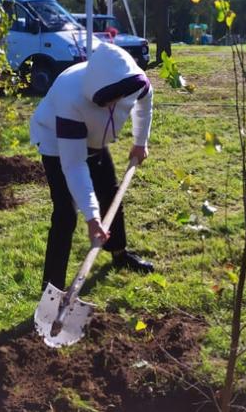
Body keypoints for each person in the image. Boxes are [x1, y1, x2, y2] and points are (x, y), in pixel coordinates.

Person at [30, 41, 155, 292]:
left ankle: (119, 253)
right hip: (56, 140)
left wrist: (140, 142)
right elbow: (74, 164)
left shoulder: (131, 80)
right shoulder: (71, 97)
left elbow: (145, 101)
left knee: (110, 193)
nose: (112, 104)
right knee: (65, 213)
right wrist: (92, 217)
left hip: (95, 139)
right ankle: (52, 288)